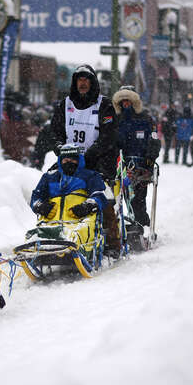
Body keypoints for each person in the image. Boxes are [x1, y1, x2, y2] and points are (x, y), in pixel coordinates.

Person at [49, 64, 119, 256]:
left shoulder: (104, 105)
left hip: (99, 161)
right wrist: (60, 149)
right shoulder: (64, 105)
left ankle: (112, 242)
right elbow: (54, 133)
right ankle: (53, 231)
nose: (83, 83)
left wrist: (88, 156)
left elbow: (108, 137)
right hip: (68, 161)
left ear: (92, 82)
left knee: (103, 195)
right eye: (79, 79)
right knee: (51, 186)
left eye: (86, 79)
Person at [29, 143, 108, 240]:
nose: (69, 162)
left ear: (79, 160)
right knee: (33, 237)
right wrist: (40, 206)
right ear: (60, 160)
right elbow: (36, 197)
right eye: (66, 160)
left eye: (73, 160)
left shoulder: (90, 176)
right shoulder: (49, 177)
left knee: (75, 238)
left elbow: (100, 195)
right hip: (50, 223)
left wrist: (87, 206)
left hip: (80, 222)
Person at [112, 86, 160, 226]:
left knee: (137, 201)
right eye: (123, 101)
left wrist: (150, 158)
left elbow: (154, 140)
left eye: (128, 101)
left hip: (142, 166)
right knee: (117, 200)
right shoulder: (115, 120)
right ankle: (120, 227)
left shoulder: (146, 119)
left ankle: (141, 225)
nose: (126, 104)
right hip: (120, 165)